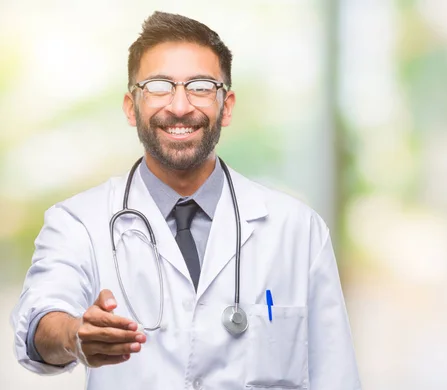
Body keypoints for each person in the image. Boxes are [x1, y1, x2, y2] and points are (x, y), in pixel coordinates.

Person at [10, 10, 361, 390]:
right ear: (132, 106)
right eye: (159, 86)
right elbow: (40, 319)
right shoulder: (78, 222)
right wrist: (75, 336)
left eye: (200, 86)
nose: (179, 107)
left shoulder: (298, 230)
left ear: (226, 107)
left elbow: (335, 374)